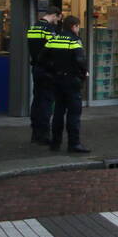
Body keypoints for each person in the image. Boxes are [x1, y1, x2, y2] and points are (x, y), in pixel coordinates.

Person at [38, 15, 89, 153]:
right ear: (74, 26)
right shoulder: (74, 40)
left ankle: (55, 143)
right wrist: (84, 73)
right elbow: (80, 60)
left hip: (56, 80)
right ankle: (74, 144)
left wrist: (51, 71)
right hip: (71, 81)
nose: (78, 30)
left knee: (58, 112)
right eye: (78, 27)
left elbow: (41, 58)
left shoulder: (53, 39)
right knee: (74, 114)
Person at [27, 6, 62, 145]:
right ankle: (44, 135)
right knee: (46, 103)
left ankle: (35, 133)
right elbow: (54, 50)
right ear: (54, 15)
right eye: (58, 18)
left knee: (36, 101)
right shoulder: (49, 30)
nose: (58, 22)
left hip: (36, 68)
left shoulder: (33, 28)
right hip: (48, 70)